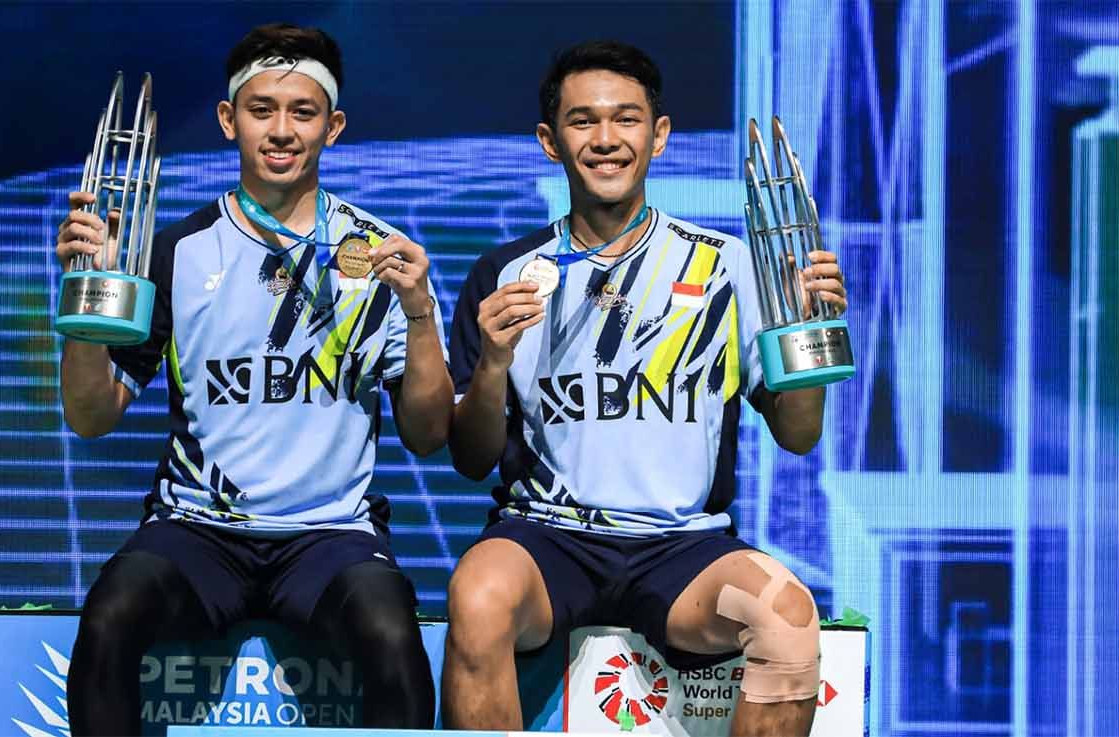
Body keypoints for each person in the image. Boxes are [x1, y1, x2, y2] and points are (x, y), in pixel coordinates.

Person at [441, 40, 848, 736]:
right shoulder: (506, 273)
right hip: (549, 537)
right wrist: (491, 365)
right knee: (476, 595)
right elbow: (471, 458)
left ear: (658, 136)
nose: (605, 140)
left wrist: (810, 331)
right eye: (582, 121)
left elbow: (799, 432)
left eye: (626, 119)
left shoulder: (730, 266)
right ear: (549, 141)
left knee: (787, 617)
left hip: (683, 547)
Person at [53, 22, 449, 734]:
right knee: (111, 614)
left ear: (334, 126)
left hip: (330, 536)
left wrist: (420, 315)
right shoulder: (175, 250)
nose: (282, 130)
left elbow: (427, 434)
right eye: (262, 109)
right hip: (198, 531)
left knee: (393, 636)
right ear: (228, 120)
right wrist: (88, 293)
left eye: (303, 112)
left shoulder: (382, 256)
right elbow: (91, 415)